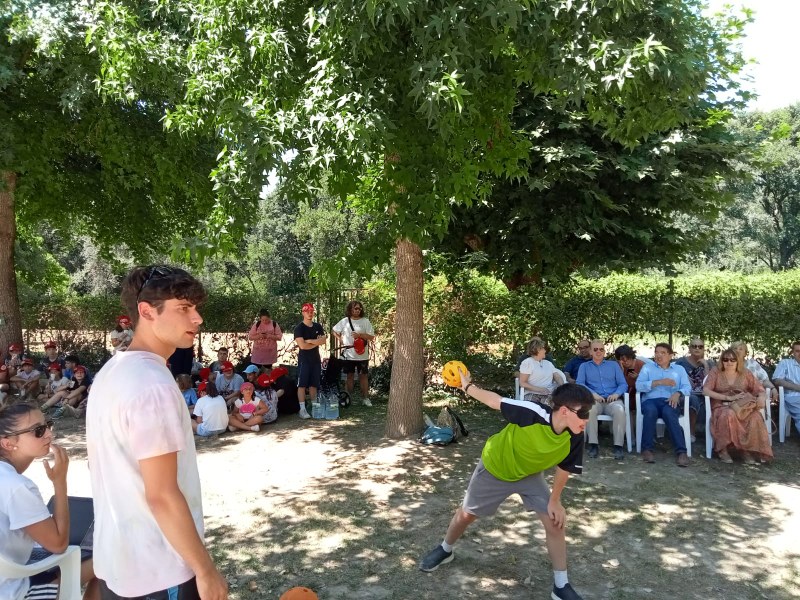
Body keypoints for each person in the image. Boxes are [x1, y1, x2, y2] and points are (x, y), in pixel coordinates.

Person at [86, 265, 228, 599]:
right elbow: (161, 494)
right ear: (147, 311)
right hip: (159, 572)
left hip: (120, 566)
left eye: (195, 308)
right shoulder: (152, 386)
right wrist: (205, 570)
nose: (197, 319)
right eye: (183, 308)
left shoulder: (112, 371)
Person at [419, 372, 593, 600]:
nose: (587, 419)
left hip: (529, 475)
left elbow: (565, 467)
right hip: (496, 467)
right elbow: (494, 401)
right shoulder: (532, 413)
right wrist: (467, 386)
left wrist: (555, 500)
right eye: (583, 413)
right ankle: (445, 549)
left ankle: (561, 585)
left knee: (555, 522)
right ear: (564, 411)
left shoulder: (576, 433)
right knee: (466, 515)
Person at [0, 402, 99, 600]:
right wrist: (60, 482)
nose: (48, 434)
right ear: (7, 443)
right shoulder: (16, 485)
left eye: (47, 425)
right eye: (37, 430)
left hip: (10, 574)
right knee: (110, 557)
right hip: (13, 591)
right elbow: (58, 544)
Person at [703, 348, 772, 464]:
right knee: (729, 414)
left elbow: (759, 389)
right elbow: (706, 391)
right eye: (725, 359)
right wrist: (728, 398)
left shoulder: (746, 373)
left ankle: (745, 450)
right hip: (721, 405)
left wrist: (761, 397)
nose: (729, 362)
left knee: (755, 417)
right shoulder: (716, 371)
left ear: (738, 361)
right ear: (722, 361)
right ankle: (723, 450)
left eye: (732, 360)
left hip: (742, 407)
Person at [636, 342, 691, 466]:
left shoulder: (679, 369)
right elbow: (638, 386)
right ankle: (647, 449)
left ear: (670, 355)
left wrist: (678, 393)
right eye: (656, 352)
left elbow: (687, 387)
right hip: (650, 400)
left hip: (669, 400)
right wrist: (659, 382)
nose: (658, 355)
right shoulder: (647, 368)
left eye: (663, 353)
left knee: (669, 412)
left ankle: (682, 452)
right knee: (650, 411)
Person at [576, 340, 628, 460]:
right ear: (590, 351)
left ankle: (618, 446)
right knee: (590, 410)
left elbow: (623, 384)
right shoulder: (584, 366)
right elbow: (579, 384)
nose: (598, 352)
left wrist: (616, 393)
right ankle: (593, 445)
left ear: (604, 351)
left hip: (612, 400)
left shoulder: (613, 365)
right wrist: (593, 394)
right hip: (595, 400)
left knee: (620, 410)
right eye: (595, 349)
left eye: (601, 349)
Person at [332, 300, 376, 406]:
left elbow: (371, 337)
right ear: (350, 309)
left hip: (362, 355)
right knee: (349, 376)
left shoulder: (365, 321)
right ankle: (348, 398)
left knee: (363, 376)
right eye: (356, 308)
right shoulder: (344, 321)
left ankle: (365, 398)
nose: (358, 310)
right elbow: (334, 330)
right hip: (349, 355)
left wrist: (360, 335)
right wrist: (340, 339)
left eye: (359, 308)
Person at [674, 337, 713, 442]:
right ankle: (691, 432)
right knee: (693, 399)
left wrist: (705, 365)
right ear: (689, 348)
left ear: (704, 349)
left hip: (704, 394)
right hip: (685, 395)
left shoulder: (709, 363)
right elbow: (673, 377)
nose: (697, 348)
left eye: (700, 347)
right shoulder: (681, 362)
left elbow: (709, 382)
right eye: (694, 346)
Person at [293, 303, 326, 420]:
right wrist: (316, 342)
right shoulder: (299, 328)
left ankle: (315, 407)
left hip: (316, 359)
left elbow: (323, 341)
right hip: (304, 360)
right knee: (302, 384)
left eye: (311, 311)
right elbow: (302, 346)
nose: (310, 313)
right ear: (302, 312)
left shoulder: (318, 326)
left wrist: (311, 341)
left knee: (314, 384)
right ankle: (302, 409)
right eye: (307, 311)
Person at [518, 337, 564, 405]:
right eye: (543, 348)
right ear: (537, 350)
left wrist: (562, 387)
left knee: (549, 408)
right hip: (532, 393)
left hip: (548, 394)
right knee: (531, 409)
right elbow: (522, 383)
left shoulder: (548, 363)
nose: (545, 351)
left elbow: (557, 377)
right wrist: (540, 389)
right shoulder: (527, 362)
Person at [773, 341, 800, 436]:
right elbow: (777, 380)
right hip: (793, 397)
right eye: (797, 351)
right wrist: (797, 387)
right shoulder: (785, 363)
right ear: (793, 352)